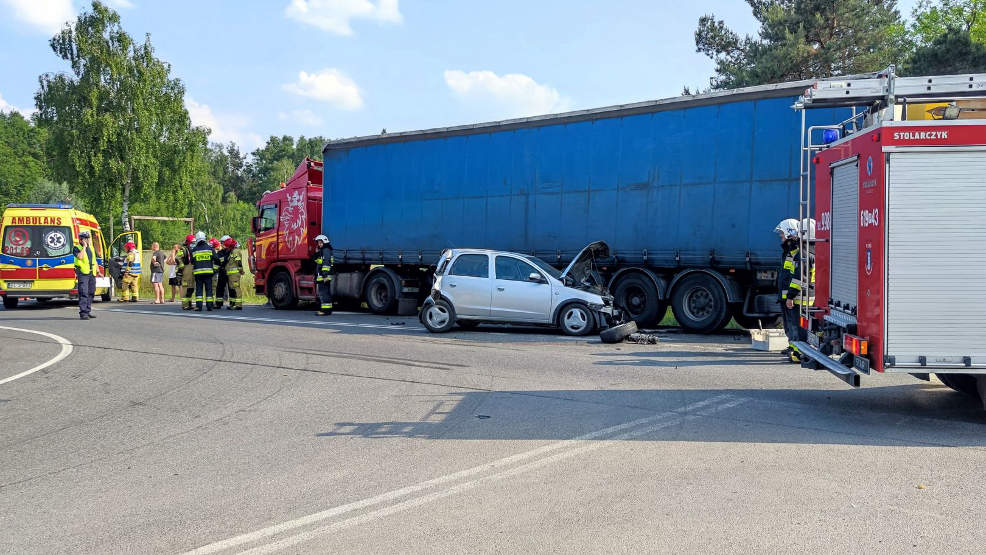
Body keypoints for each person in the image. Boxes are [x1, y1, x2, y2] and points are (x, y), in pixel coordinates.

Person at [775, 218, 815, 363]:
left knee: (796, 327)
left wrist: (790, 296)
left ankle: (798, 352)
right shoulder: (793, 252)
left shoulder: (801, 253)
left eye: (782, 234)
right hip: (792, 296)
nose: (781, 237)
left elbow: (799, 277)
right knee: (791, 326)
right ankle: (793, 347)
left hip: (798, 297)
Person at [73, 231, 98, 320]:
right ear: (82, 240)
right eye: (86, 239)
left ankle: (87, 311)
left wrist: (98, 271)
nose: (88, 240)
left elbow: (94, 260)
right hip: (83, 273)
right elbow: (80, 257)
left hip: (92, 273)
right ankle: (83, 313)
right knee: (83, 292)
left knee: (91, 292)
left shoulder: (91, 248)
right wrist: (84, 246)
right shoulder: (77, 248)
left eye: (88, 238)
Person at [191, 231, 217, 311]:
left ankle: (199, 307)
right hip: (208, 273)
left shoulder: (194, 249)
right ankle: (209, 306)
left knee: (199, 290)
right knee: (209, 290)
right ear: (204, 238)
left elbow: (191, 261)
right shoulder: (210, 248)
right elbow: (216, 259)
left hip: (198, 274)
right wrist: (214, 269)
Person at [220, 236, 244, 310]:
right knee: (232, 289)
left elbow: (239, 262)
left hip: (234, 274)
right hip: (231, 274)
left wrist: (241, 270)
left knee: (236, 288)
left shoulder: (235, 251)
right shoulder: (232, 251)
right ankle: (233, 304)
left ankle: (238, 305)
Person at [313, 234, 334, 315]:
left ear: (324, 242)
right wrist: (317, 254)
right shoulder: (323, 250)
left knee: (323, 293)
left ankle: (325, 311)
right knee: (324, 293)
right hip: (322, 275)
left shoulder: (326, 250)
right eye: (318, 243)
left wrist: (325, 275)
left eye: (320, 242)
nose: (319, 244)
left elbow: (326, 263)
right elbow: (318, 261)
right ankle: (327, 310)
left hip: (324, 276)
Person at [180, 234, 196, 310]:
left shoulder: (194, 248)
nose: (193, 243)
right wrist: (182, 266)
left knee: (191, 287)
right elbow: (178, 258)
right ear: (188, 242)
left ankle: (189, 303)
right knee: (186, 287)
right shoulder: (183, 249)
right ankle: (185, 304)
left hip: (193, 268)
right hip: (186, 268)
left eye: (194, 242)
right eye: (192, 242)